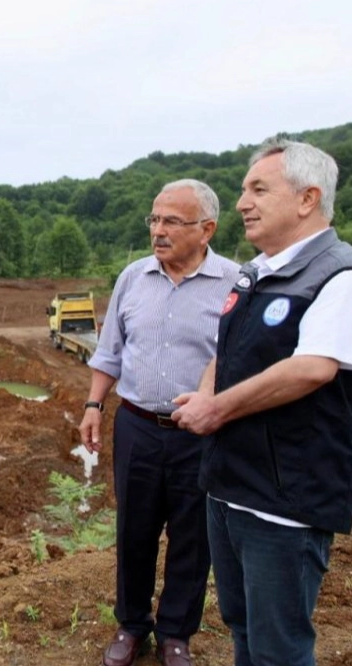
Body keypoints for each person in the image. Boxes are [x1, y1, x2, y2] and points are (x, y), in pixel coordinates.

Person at [172, 139, 352, 666]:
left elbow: (312, 368)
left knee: (280, 647)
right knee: (242, 627)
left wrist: (217, 409)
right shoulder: (256, 272)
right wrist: (207, 393)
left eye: (258, 189)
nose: (243, 201)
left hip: (284, 501)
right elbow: (225, 352)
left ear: (307, 198)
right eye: (243, 189)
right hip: (230, 487)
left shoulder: (338, 277)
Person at [79, 178, 240, 666]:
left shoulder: (236, 282)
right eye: (154, 219)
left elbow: (241, 360)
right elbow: (109, 352)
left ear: (206, 228)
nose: (158, 230)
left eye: (172, 220)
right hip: (137, 426)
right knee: (135, 529)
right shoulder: (133, 277)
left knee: (194, 535)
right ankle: (131, 626)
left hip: (202, 433)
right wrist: (93, 406)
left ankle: (176, 633)